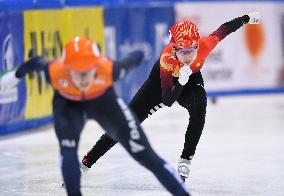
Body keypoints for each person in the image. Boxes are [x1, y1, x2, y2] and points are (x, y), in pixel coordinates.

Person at [79, 12, 260, 181]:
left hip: (190, 79)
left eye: (191, 51)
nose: (188, 56)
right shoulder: (167, 59)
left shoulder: (205, 44)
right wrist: (179, 81)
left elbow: (225, 29)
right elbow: (167, 101)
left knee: (200, 105)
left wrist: (247, 18)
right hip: (161, 84)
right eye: (182, 52)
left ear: (198, 44)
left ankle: (186, 158)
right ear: (173, 48)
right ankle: (87, 161)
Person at [2, 37, 190, 196]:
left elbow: (135, 58)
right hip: (69, 105)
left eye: (88, 72)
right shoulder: (54, 71)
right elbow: (33, 63)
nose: (83, 78)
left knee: (147, 156)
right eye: (77, 73)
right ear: (66, 69)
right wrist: (11, 79)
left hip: (103, 102)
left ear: (97, 67)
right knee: (68, 150)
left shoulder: (110, 69)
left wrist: (141, 54)